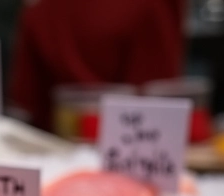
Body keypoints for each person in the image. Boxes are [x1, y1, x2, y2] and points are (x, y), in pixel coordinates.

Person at [10, 0, 187, 131]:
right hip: (144, 140)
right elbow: (162, 99)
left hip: (61, 145)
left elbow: (29, 106)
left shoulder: (37, 9)